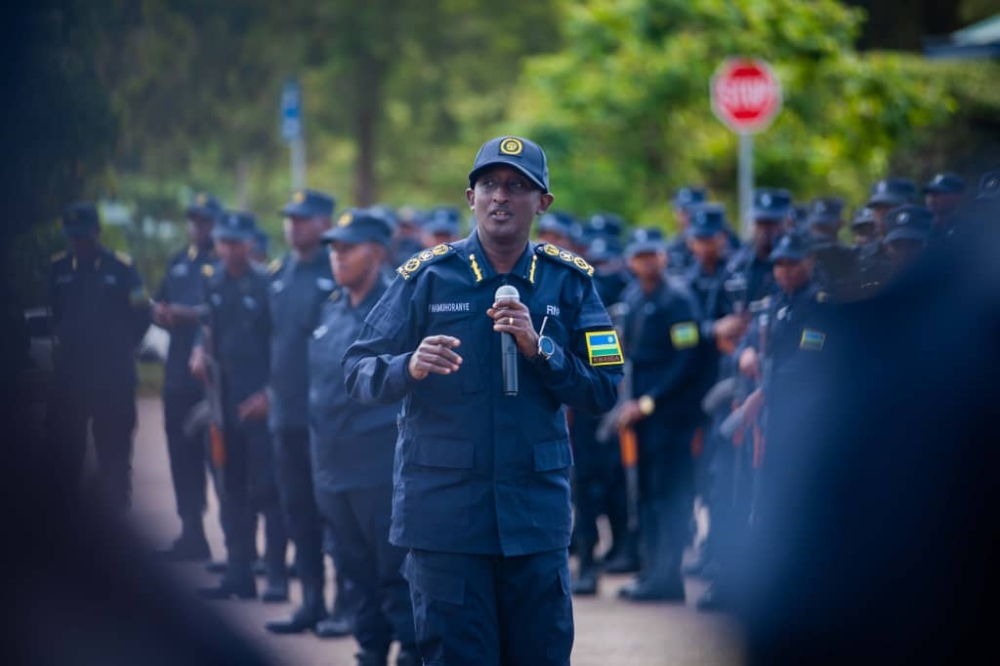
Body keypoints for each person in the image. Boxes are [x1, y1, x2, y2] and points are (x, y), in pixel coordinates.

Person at [344, 135, 622, 665]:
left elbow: (606, 386)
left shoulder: (570, 283)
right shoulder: (425, 277)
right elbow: (356, 369)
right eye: (490, 184)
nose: (502, 196)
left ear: (543, 203)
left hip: (533, 523)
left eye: (518, 186)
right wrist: (409, 366)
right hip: (446, 522)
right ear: (469, 197)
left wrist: (543, 351)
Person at [311, 209, 419, 666]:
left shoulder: (399, 303)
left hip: (380, 464)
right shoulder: (333, 306)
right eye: (333, 249)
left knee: (394, 568)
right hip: (333, 464)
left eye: (347, 248)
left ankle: (411, 650)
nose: (337, 258)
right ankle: (370, 647)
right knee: (351, 566)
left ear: (375, 251)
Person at [190, 210, 282, 601]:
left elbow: (283, 344)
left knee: (269, 490)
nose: (228, 250)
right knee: (230, 490)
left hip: (260, 399)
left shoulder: (267, 284)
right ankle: (238, 574)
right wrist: (198, 349)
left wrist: (272, 393)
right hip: (224, 401)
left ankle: (276, 576)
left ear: (250, 244)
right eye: (223, 242)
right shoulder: (213, 281)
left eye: (236, 242)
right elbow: (208, 327)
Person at [614, 228, 705, 603]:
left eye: (653, 254)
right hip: (640, 416)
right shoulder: (633, 298)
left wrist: (648, 401)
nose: (647, 261)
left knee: (669, 497)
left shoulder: (678, 300)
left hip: (670, 414)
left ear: (664, 257)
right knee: (647, 495)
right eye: (640, 255)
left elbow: (687, 359)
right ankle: (652, 574)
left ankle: (669, 578)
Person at [263, 190, 339, 634]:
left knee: (336, 514)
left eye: (303, 218)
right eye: (289, 218)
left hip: (327, 418)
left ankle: (349, 604)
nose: (293, 225)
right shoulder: (280, 273)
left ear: (324, 221)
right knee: (297, 510)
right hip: (287, 414)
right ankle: (312, 601)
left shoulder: (336, 273)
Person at [47, 202, 151, 512]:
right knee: (63, 455)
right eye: (73, 237)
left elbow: (142, 311)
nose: (78, 243)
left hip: (113, 379)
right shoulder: (58, 268)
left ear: (97, 232)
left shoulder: (122, 268)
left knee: (114, 457)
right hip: (70, 378)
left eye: (84, 236)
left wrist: (122, 346)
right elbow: (55, 313)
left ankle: (116, 517)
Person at [680, 203, 751, 582]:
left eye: (712, 238)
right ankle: (704, 547)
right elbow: (681, 332)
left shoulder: (736, 275)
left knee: (722, 474)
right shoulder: (686, 282)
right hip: (692, 387)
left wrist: (735, 332)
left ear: (723, 238)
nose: (706, 246)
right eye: (700, 239)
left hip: (730, 386)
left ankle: (720, 552)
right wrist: (712, 331)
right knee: (697, 473)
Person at [152, 192, 222, 561]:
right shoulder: (179, 262)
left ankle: (241, 552)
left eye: (205, 220)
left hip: (210, 378)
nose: (198, 226)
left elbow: (219, 310)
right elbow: (158, 304)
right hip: (178, 373)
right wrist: (160, 313)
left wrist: (187, 314)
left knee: (220, 460)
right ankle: (191, 532)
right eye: (194, 219)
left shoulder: (226, 262)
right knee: (180, 454)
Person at [725, 188, 789, 304]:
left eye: (771, 224)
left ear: (786, 223)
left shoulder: (796, 265)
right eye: (760, 223)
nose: (765, 230)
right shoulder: (737, 266)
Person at [804, 197, 857, 302]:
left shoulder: (848, 256)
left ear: (840, 224)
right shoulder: (798, 258)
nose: (820, 234)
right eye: (817, 227)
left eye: (825, 227)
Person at [882, 204, 934, 278]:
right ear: (886, 249)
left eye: (912, 245)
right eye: (897, 246)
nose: (904, 253)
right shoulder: (880, 280)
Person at [922, 172, 966, 244]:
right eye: (929, 193)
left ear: (957, 197)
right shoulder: (920, 227)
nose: (932, 198)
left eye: (938, 193)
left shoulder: (966, 230)